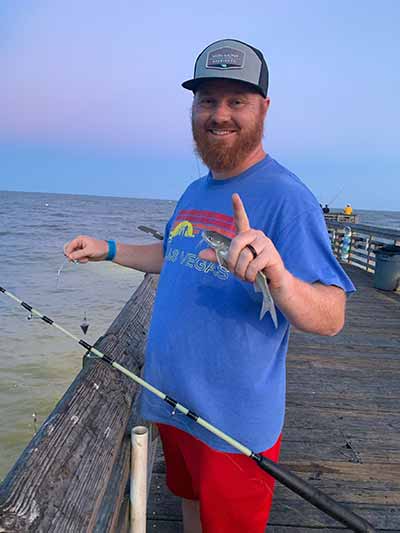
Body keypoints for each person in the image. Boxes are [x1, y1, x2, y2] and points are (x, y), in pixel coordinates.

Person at [64, 39, 355, 533]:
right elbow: (172, 255)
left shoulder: (289, 198)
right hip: (172, 405)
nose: (219, 114)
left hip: (232, 427)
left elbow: (332, 316)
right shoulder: (195, 190)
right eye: (207, 100)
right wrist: (107, 248)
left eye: (235, 101)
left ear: (263, 108)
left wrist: (280, 280)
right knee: (191, 510)